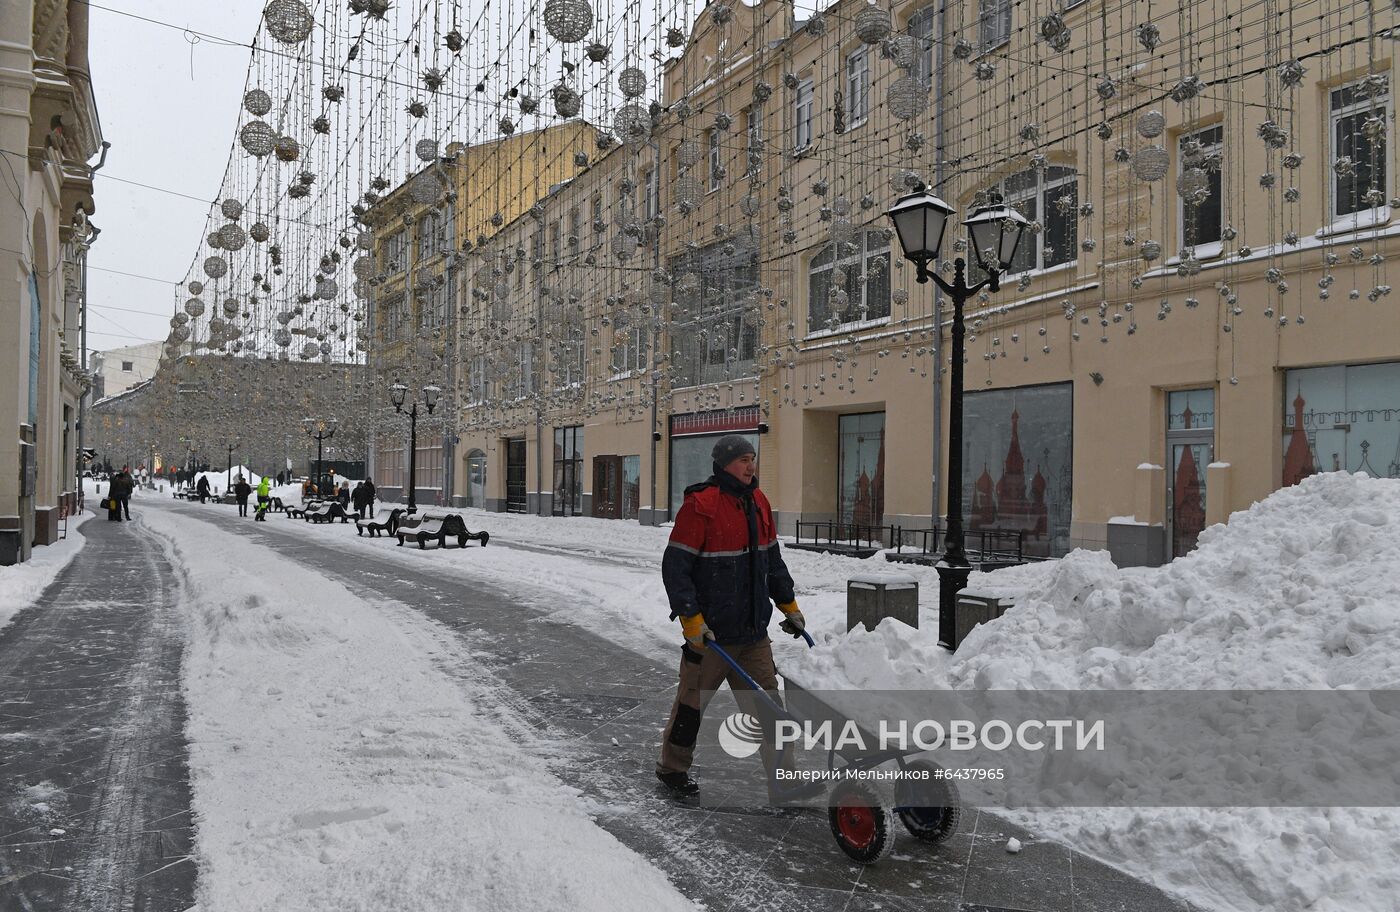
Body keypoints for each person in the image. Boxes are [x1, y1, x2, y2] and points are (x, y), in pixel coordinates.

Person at [654, 435, 804, 798]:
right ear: (723, 465)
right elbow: (676, 568)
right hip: (712, 637)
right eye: (742, 460)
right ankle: (672, 769)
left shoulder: (760, 502)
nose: (750, 466)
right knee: (691, 707)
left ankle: (784, 780)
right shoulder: (701, 505)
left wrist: (789, 606)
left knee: (770, 711)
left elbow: (772, 561)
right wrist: (691, 619)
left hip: (753, 633)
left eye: (752, 459)